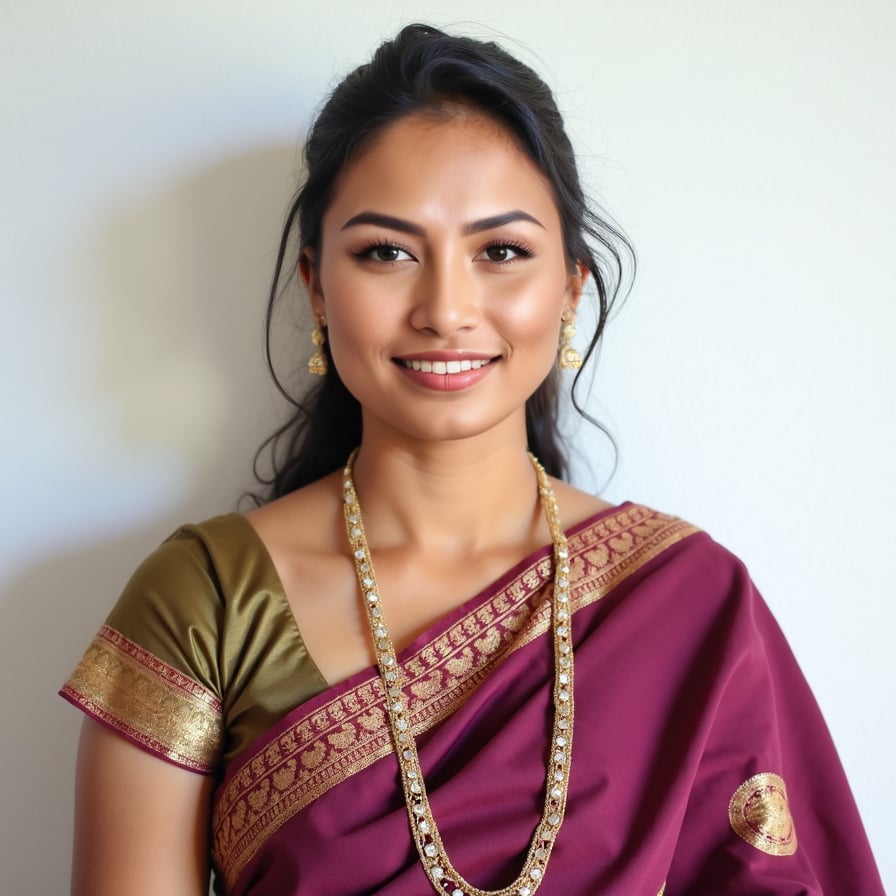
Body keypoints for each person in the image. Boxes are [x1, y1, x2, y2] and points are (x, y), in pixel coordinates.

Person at [60, 23, 884, 896]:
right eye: (387, 253)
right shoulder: (208, 602)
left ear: (570, 287)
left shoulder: (691, 604)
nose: (446, 309)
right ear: (316, 288)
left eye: (501, 252)